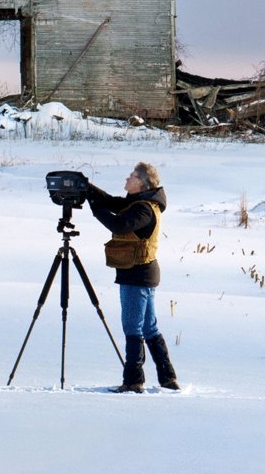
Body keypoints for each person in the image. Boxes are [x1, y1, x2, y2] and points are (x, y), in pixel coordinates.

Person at [86, 162, 180, 392]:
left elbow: (118, 224)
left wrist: (95, 208)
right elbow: (113, 203)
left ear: (142, 183)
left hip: (136, 275)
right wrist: (87, 188)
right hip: (143, 274)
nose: (127, 178)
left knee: (133, 327)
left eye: (132, 176)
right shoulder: (141, 203)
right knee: (149, 328)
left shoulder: (143, 210)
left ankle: (133, 381)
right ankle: (168, 378)